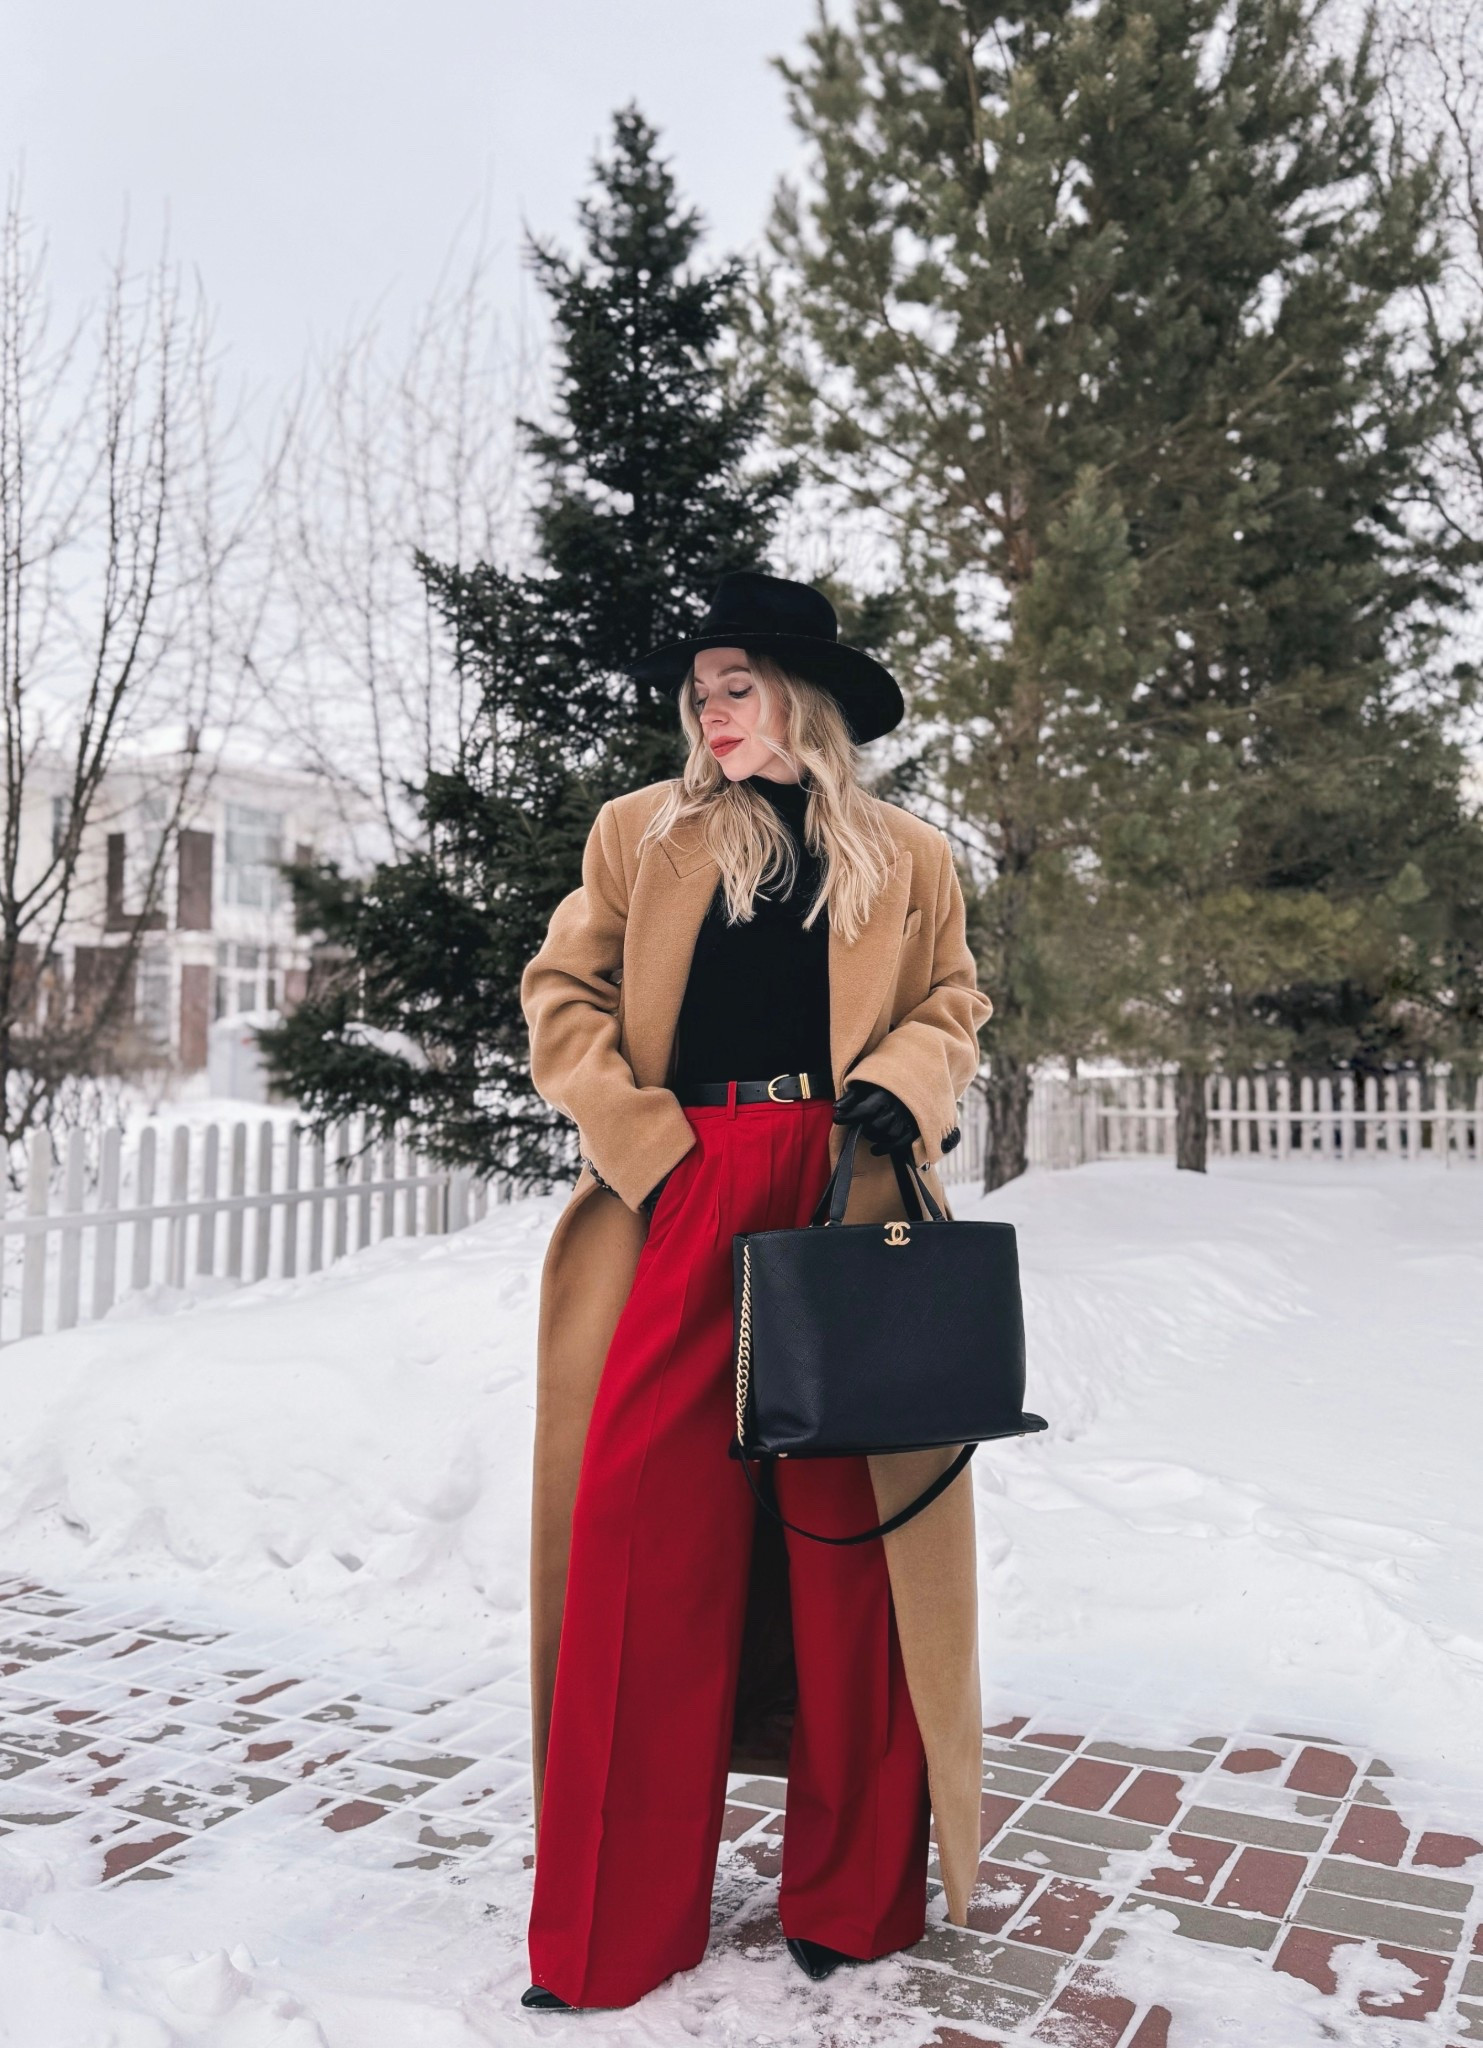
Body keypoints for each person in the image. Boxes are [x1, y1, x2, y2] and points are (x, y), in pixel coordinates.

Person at [518, 570, 993, 2011]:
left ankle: (854, 1902)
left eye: (737, 685)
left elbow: (955, 1004)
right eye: (700, 691)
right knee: (641, 1541)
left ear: (803, 697)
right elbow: (562, 995)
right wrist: (647, 1150)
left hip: (848, 1194)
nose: (713, 712)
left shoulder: (906, 855)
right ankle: (608, 1928)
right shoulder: (638, 837)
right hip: (688, 1179)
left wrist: (905, 1096)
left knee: (853, 1553)